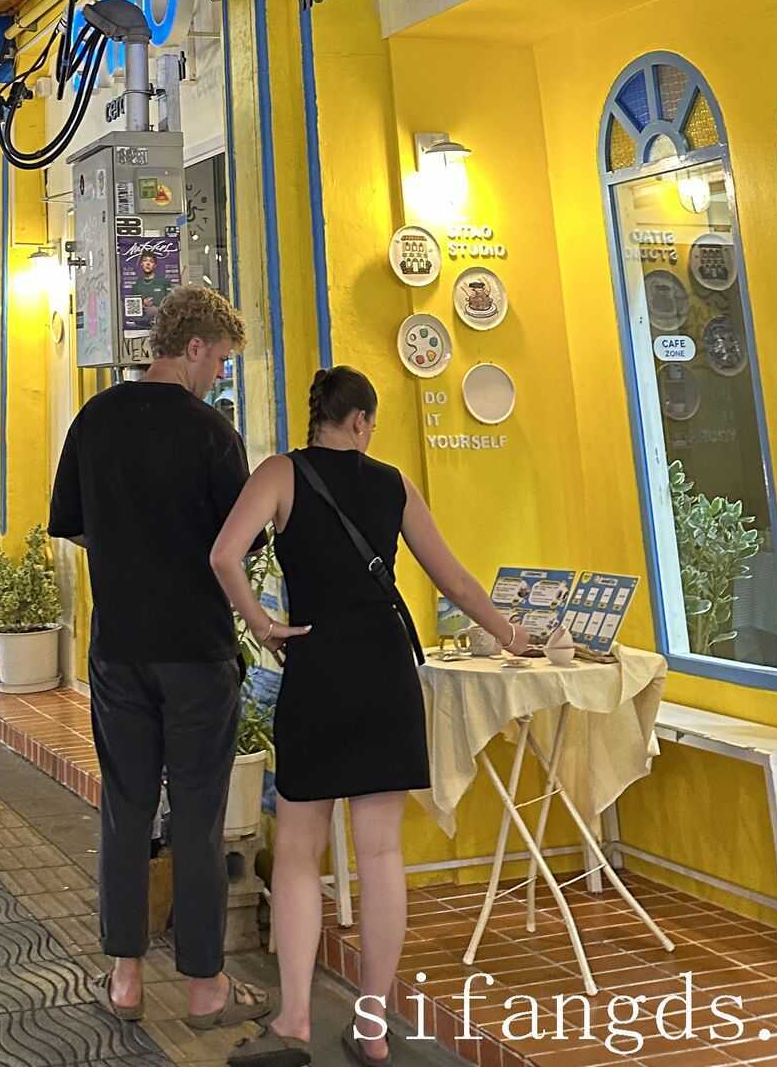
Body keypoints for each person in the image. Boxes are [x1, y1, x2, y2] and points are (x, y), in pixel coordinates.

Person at [211, 367, 537, 1066]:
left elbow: (224, 556)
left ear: (319, 417)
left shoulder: (280, 473)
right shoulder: (394, 484)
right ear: (360, 421)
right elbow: (455, 579)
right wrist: (513, 636)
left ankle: (295, 1020)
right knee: (381, 852)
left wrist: (263, 625)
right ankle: (371, 1027)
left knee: (299, 852)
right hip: (386, 674)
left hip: (318, 669)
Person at [48, 283, 265, 1036]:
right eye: (220, 360)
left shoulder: (95, 419)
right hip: (197, 651)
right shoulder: (212, 433)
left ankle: (126, 978)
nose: (220, 374)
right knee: (198, 816)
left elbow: (72, 524)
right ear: (194, 347)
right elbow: (242, 543)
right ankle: (205, 988)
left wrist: (127, 553)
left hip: (120, 649)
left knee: (126, 807)